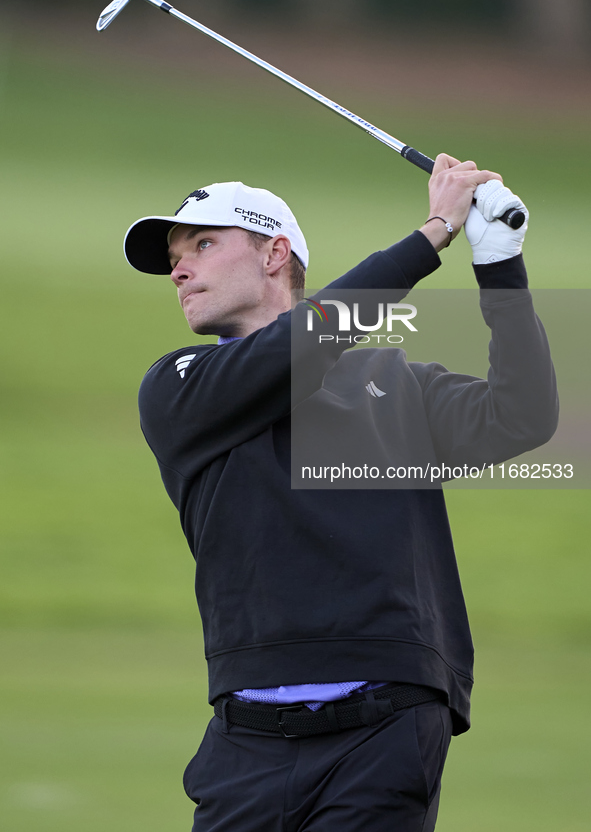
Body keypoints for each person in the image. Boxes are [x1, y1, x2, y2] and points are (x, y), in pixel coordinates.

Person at [123, 154, 558, 831]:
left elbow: (523, 415)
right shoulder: (180, 385)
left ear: (274, 254)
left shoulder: (393, 383)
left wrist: (499, 265)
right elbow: (297, 346)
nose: (180, 268)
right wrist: (433, 232)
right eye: (176, 255)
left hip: (382, 734)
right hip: (244, 744)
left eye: (202, 245)